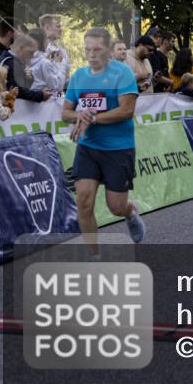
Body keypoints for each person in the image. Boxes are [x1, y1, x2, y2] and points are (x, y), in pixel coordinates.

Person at [62, 27, 144, 258]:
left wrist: (93, 118)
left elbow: (127, 110)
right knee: (84, 202)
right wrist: (78, 115)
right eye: (87, 49)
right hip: (88, 148)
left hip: (118, 148)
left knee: (115, 207)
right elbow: (65, 112)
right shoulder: (79, 76)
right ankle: (93, 257)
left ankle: (130, 212)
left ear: (108, 50)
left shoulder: (123, 73)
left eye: (97, 49)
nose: (91, 54)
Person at [0, 33, 52, 103]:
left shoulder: (7, 59)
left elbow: (28, 83)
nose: (32, 56)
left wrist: (27, 68)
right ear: (21, 48)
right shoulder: (12, 63)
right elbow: (19, 91)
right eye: (31, 52)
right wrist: (40, 95)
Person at [26, 28, 66, 96]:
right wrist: (60, 65)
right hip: (45, 104)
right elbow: (56, 87)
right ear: (43, 42)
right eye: (46, 39)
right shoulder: (45, 63)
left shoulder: (25, 62)